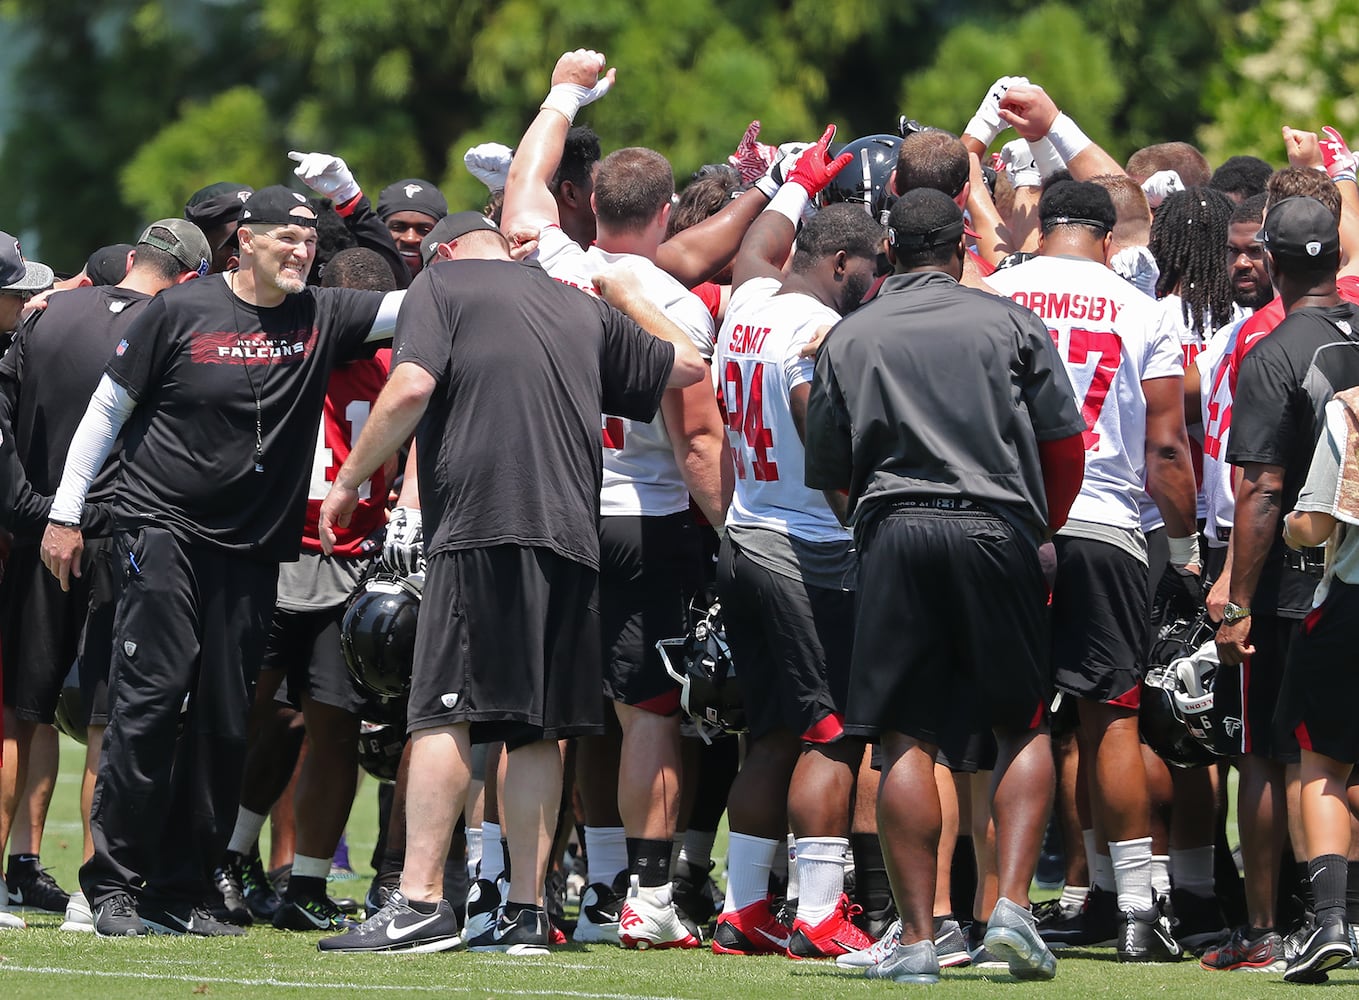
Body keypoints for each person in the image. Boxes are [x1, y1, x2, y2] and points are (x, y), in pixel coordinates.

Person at [314, 203, 707, 956]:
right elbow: (688, 363)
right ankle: (526, 914)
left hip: (484, 527)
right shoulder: (574, 301)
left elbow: (410, 386)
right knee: (536, 730)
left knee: (441, 714)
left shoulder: (442, 285)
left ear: (445, 252)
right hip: (571, 536)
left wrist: (350, 481)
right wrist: (622, 291)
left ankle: (423, 901)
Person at [39, 185, 404, 937]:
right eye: (287, 239)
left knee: (222, 718)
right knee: (148, 705)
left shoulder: (319, 313)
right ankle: (114, 886)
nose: (301, 252)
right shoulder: (181, 310)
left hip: (251, 549)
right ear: (244, 241)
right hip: (162, 531)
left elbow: (421, 298)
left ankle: (186, 889)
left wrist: (534, 255)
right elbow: (107, 409)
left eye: (309, 241)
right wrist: (65, 512)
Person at [804, 187, 1086, 984]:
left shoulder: (851, 333)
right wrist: (1042, 527)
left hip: (894, 528)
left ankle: (920, 938)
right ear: (962, 243)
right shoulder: (1010, 322)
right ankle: (1013, 911)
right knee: (1020, 723)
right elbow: (1064, 444)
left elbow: (828, 468)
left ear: (889, 249)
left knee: (903, 739)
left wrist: (870, 523)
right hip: (996, 528)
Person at [500, 48, 731, 950]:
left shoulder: (547, 257)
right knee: (649, 711)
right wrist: (729, 530)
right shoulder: (675, 306)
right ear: (666, 214)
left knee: (540, 712)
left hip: (550, 505)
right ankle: (641, 895)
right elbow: (698, 436)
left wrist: (564, 91)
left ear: (587, 204)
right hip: (646, 515)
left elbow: (524, 183)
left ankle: (515, 892)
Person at [988, 181, 1199, 962]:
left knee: (1014, 720)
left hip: (1008, 521)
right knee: (1109, 715)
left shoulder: (998, 291)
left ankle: (990, 901)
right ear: (1110, 242)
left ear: (1041, 228)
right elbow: (1168, 449)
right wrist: (1180, 550)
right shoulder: (1141, 311)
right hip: (1106, 522)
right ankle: (1139, 907)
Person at [0, 219, 211, 933]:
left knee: (20, 714)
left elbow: (6, 403)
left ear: (129, 260)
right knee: (104, 719)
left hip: (34, 533)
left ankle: (11, 877)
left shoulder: (46, 313)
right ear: (187, 276)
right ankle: (95, 896)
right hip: (116, 535)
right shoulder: (174, 321)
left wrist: (28, 508)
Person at [709, 186, 886, 960]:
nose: (875, 282)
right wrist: (866, 516)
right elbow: (828, 448)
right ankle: (817, 913)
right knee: (832, 734)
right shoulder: (815, 328)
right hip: (806, 546)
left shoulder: (748, 300)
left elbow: (754, 249)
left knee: (771, 733)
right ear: (840, 262)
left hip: (744, 532)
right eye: (870, 267)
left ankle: (742, 906)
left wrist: (791, 184)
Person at [214, 246, 399, 934]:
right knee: (246, 716)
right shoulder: (279, 352)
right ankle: (215, 857)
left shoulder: (395, 370)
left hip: (349, 567)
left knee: (332, 726)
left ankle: (308, 882)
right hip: (269, 556)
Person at [1212, 195, 1359, 972]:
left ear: (1269, 259)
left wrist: (1236, 596)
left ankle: (1279, 923)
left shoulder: (1272, 349)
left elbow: (1262, 490)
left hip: (1304, 579)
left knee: (1283, 756)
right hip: (1354, 570)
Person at [1277, 386, 1359, 982]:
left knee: (1324, 766)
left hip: (1351, 606)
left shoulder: (1350, 406)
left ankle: (1330, 921)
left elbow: (1318, 520)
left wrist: (1288, 526)